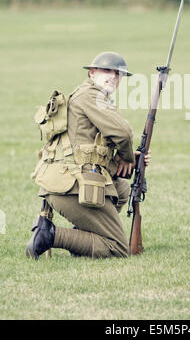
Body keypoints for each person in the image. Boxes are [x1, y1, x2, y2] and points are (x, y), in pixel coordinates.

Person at [26, 52, 150, 260]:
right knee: (118, 248)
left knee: (121, 189)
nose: (113, 77)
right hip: (71, 185)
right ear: (92, 73)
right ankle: (50, 236)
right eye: (106, 71)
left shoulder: (87, 94)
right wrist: (128, 158)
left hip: (64, 180)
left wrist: (125, 158)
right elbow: (123, 133)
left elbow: (91, 150)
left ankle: (82, 240)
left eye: (118, 73)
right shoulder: (91, 95)